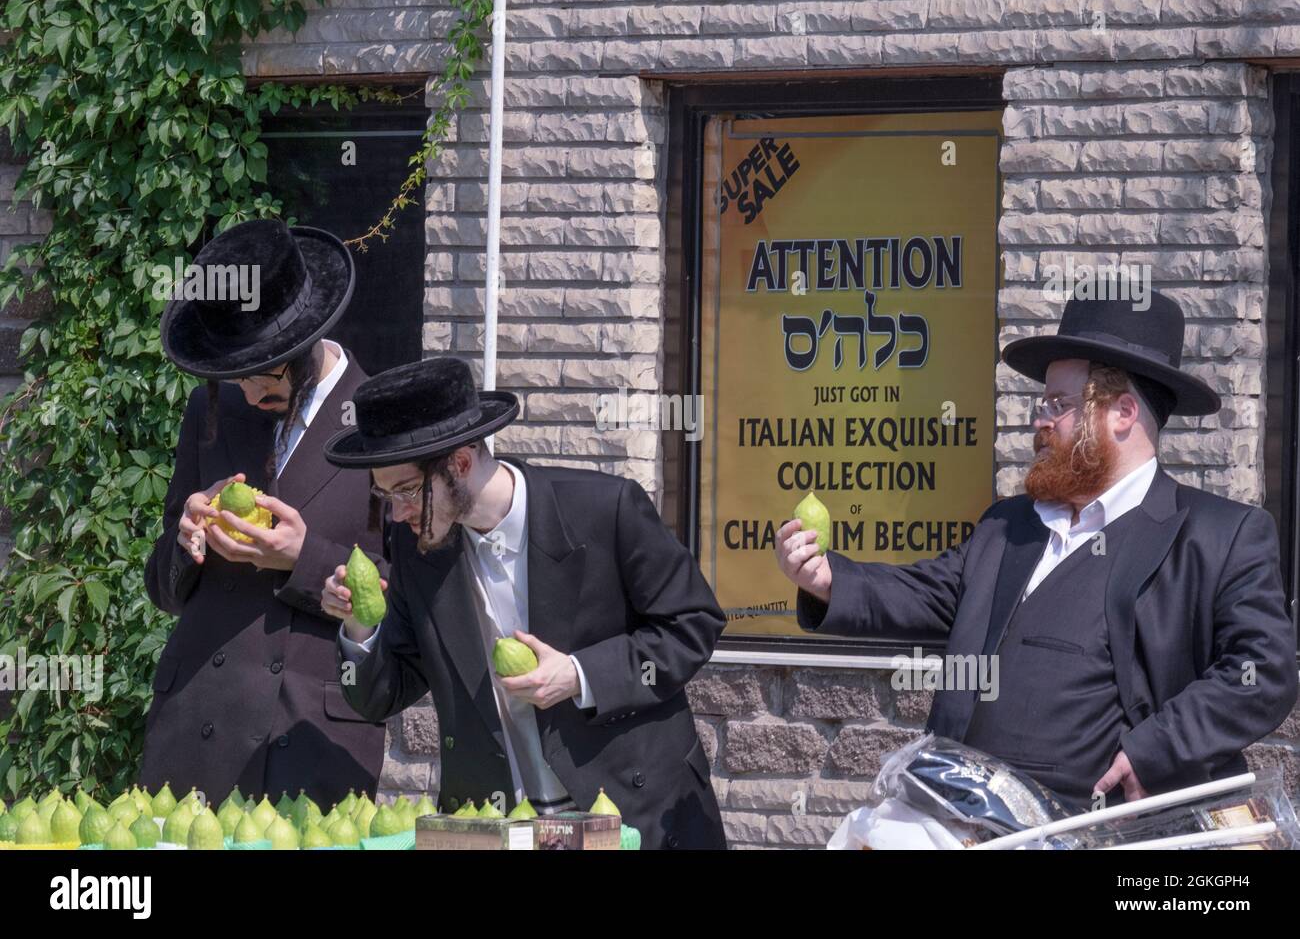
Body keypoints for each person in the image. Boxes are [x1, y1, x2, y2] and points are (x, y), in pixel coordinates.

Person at [777, 291, 1298, 811]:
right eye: (1042, 404)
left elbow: (1264, 671)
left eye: (1059, 405)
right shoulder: (1009, 526)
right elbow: (929, 592)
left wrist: (1157, 748)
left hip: (1121, 835)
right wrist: (826, 580)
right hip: (970, 822)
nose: (1039, 420)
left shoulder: (1220, 535)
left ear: (1122, 413)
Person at [318, 356, 727, 849]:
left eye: (405, 491)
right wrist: (359, 629)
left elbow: (693, 623)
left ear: (461, 463)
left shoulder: (605, 507)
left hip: (631, 812)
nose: (397, 512)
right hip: (499, 828)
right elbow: (380, 695)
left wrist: (579, 675)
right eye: (383, 495)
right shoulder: (416, 545)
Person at [140, 218, 386, 808]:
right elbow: (164, 590)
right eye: (233, 377)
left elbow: (404, 598)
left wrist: (303, 561)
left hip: (307, 740)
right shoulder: (211, 409)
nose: (249, 394)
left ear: (305, 341)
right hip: (194, 722)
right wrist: (186, 538)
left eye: (262, 375)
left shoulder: (380, 421)